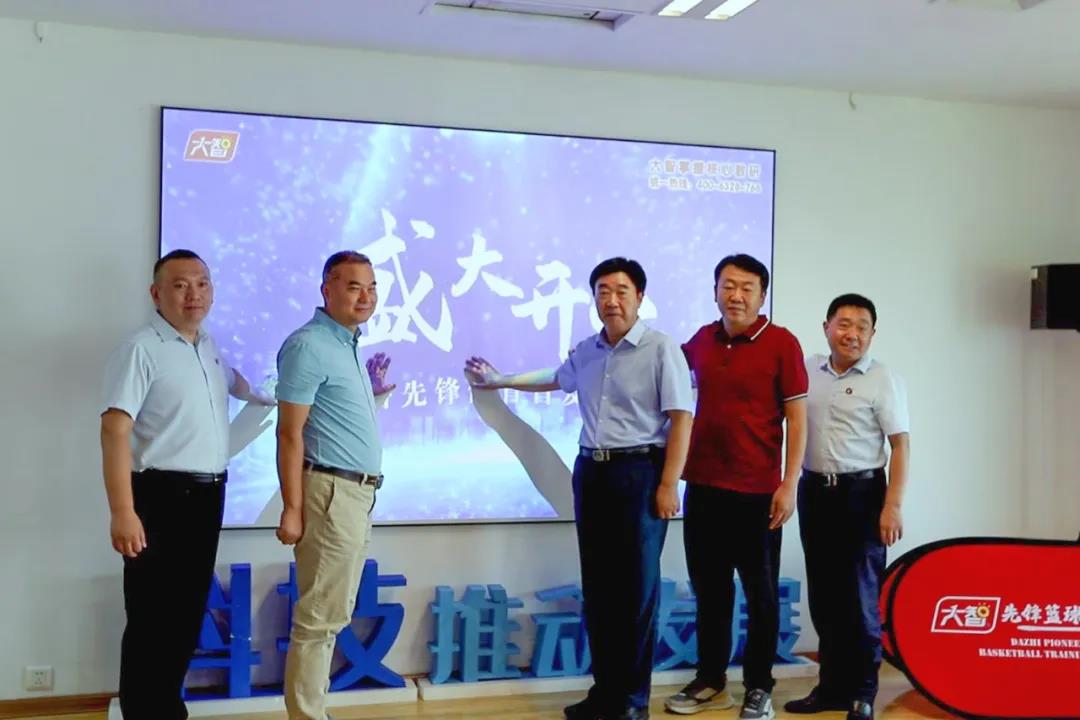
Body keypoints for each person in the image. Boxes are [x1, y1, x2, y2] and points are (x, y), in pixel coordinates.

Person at [466, 257, 693, 720]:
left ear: (640, 297)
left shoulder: (661, 348)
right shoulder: (589, 350)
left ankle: (632, 702)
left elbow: (681, 417)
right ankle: (606, 693)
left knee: (636, 593)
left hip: (640, 474)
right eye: (603, 291)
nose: (611, 300)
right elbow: (556, 378)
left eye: (621, 291)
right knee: (600, 590)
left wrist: (669, 483)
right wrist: (500, 380)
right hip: (592, 473)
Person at [101, 249, 272, 720]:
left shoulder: (207, 346)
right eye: (180, 285)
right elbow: (114, 430)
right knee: (152, 619)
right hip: (160, 498)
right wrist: (123, 511)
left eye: (202, 283)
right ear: (156, 294)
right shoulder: (141, 349)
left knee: (185, 616)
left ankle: (166, 710)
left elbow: (234, 382)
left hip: (206, 496)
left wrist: (267, 393)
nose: (193, 293)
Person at [666, 254, 807, 720]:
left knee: (760, 596)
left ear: (762, 295)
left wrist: (789, 484)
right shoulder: (701, 341)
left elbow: (797, 420)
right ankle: (711, 681)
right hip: (703, 487)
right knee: (710, 592)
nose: (737, 295)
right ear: (715, 291)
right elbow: (662, 378)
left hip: (757, 494)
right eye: (728, 285)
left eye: (747, 287)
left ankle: (759, 687)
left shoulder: (782, 343)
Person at [275, 250, 394, 720]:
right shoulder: (308, 345)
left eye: (372, 287)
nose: (365, 297)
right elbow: (290, 433)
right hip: (329, 493)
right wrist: (292, 508)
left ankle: (313, 712)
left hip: (355, 495)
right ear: (327, 289)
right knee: (318, 618)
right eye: (353, 286)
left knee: (331, 614)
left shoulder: (347, 343)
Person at [783, 294, 910, 720]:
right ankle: (830, 689)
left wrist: (892, 505)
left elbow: (900, 446)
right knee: (825, 597)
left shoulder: (882, 378)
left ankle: (862, 693)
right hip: (816, 492)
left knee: (860, 599)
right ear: (826, 327)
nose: (851, 333)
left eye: (861, 326)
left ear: (872, 333)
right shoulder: (808, 371)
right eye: (843, 324)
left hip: (863, 495)